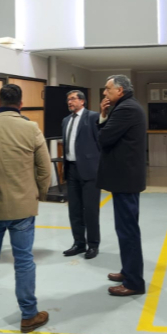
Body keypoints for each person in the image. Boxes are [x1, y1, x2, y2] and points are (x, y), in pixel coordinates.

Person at [0, 84, 52, 334]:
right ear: (20, 104)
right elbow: (44, 170)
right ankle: (28, 315)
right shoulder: (31, 128)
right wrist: (39, 194)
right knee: (24, 260)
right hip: (22, 208)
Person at [97, 75, 147, 296]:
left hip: (125, 180)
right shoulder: (126, 107)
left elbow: (104, 138)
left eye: (107, 89)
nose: (104, 93)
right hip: (126, 180)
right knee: (126, 229)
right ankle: (128, 272)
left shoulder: (126, 109)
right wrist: (105, 114)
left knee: (128, 231)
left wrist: (102, 117)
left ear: (120, 90)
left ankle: (134, 282)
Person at [61, 90, 101, 259]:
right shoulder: (66, 120)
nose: (69, 102)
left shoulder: (93, 117)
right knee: (74, 210)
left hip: (89, 170)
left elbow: (100, 141)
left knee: (90, 210)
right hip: (71, 170)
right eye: (68, 99)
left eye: (72, 99)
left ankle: (93, 245)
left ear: (82, 101)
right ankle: (78, 243)